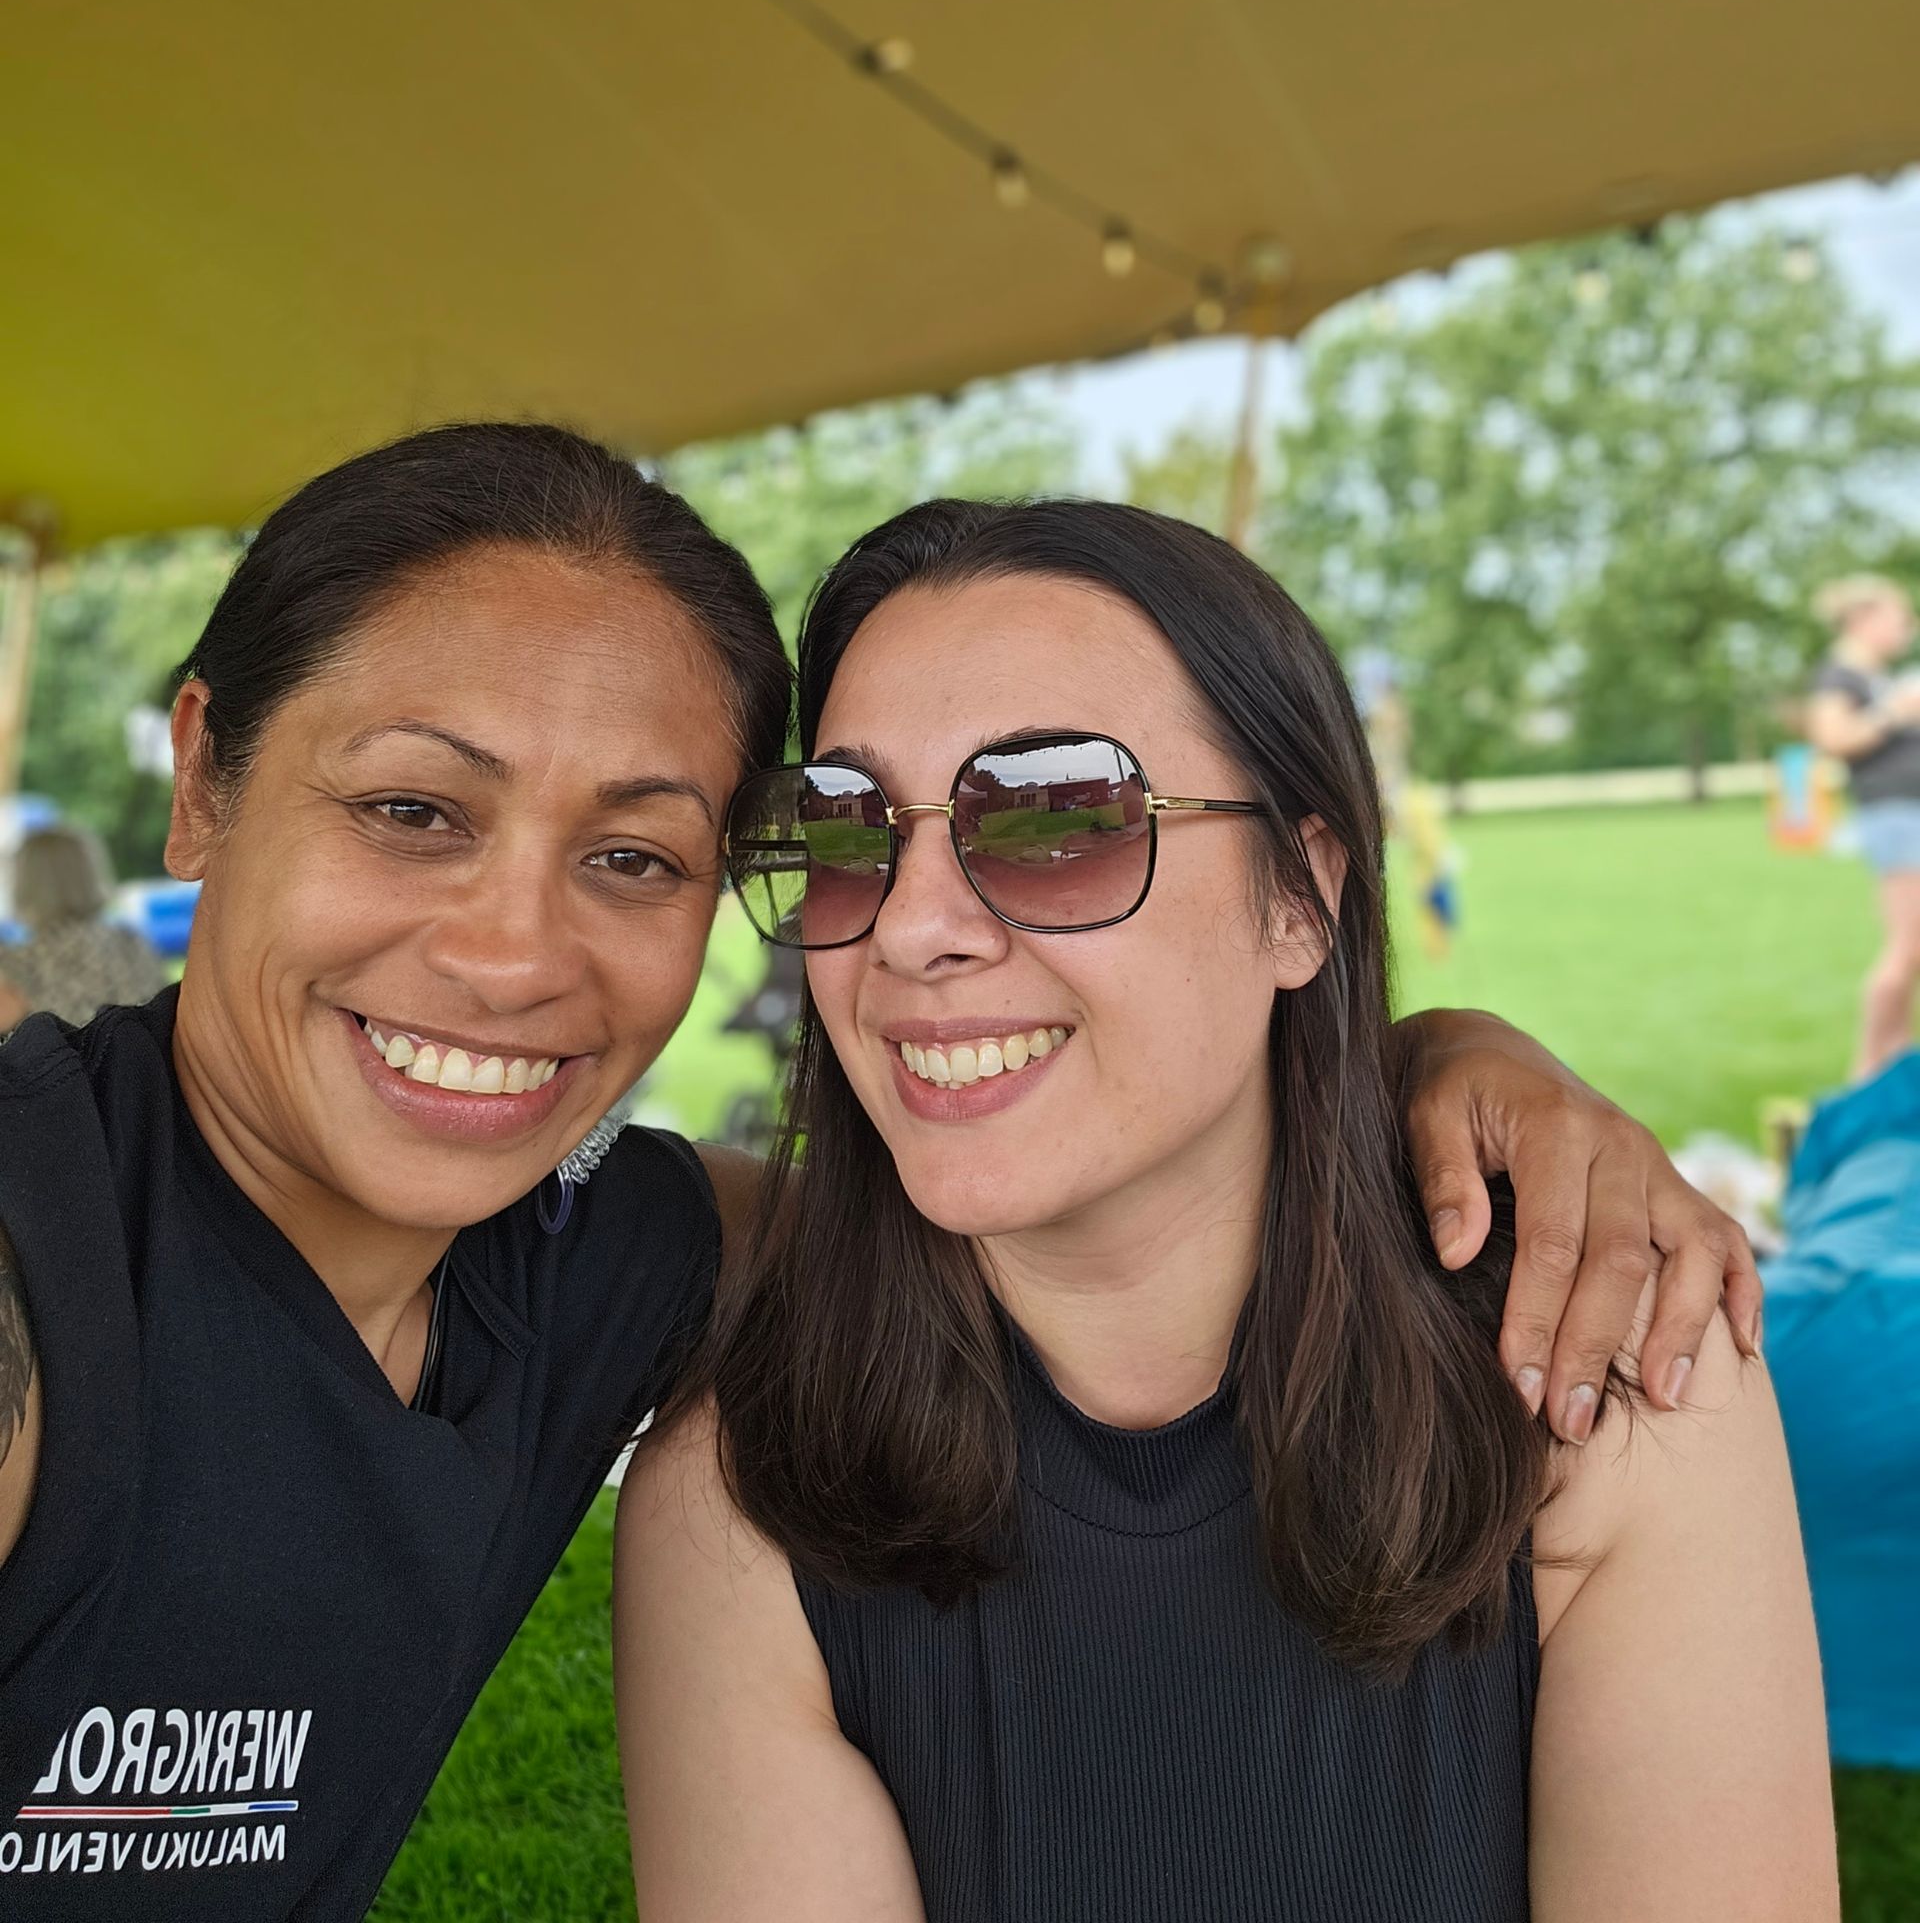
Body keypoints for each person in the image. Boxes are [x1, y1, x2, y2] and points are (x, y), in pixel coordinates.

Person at [0, 425, 1758, 1920]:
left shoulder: (606, 1268)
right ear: (206, 784)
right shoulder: (45, 1277)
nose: (512, 952)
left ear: (1305, 891)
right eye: (411, 812)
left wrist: (1440, 1056)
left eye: (635, 852)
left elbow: (989, 1187)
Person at [617, 498, 1832, 1923]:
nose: (907, 924)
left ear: (1300, 899)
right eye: (843, 827)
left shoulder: (1611, 1378)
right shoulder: (741, 1504)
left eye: (1056, 816)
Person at [1806, 575, 1920, 1079]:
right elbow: (1832, 737)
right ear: (1863, 620)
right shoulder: (1841, 677)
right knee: (1907, 947)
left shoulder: (1876, 676)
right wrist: (1896, 711)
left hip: (1906, 811)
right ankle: (1868, 1073)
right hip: (1892, 815)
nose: (1909, 629)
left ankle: (1894, 1064)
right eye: (1900, 619)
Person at [0, 824, 169, 1034]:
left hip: (72, 1066)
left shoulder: (21, 962)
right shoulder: (131, 942)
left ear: (23, 883)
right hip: (145, 1062)